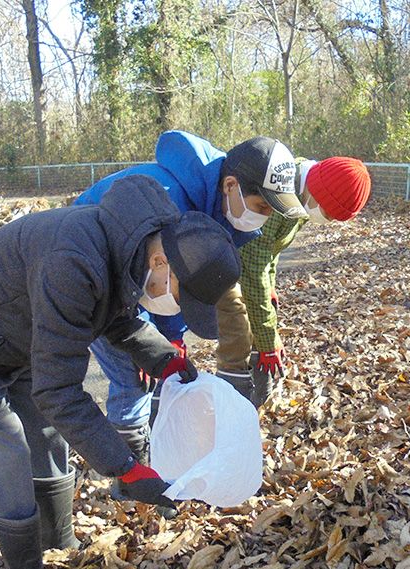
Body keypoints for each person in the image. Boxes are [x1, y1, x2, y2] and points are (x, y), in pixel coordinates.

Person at [0, 175, 242, 569]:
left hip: (21, 333)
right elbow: (59, 391)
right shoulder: (76, 258)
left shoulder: (128, 246)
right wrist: (125, 466)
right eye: (181, 294)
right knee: (7, 452)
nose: (177, 306)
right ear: (161, 263)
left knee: (47, 436)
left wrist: (165, 358)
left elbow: (111, 316)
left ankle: (58, 541)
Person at [73, 131, 306, 492]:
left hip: (143, 278)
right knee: (131, 378)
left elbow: (188, 285)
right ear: (231, 186)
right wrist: (147, 340)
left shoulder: (221, 207)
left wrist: (173, 338)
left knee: (157, 369)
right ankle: (128, 485)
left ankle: (143, 461)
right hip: (96, 273)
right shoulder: (169, 202)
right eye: (262, 208)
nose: (263, 219)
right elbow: (137, 275)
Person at [214, 157, 372, 407]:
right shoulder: (279, 197)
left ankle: (256, 389)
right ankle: (230, 404)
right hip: (221, 258)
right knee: (237, 330)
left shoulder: (302, 194)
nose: (327, 220)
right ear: (320, 192)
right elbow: (253, 270)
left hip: (244, 260)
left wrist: (271, 285)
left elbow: (271, 249)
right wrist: (268, 342)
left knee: (264, 310)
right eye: (329, 213)